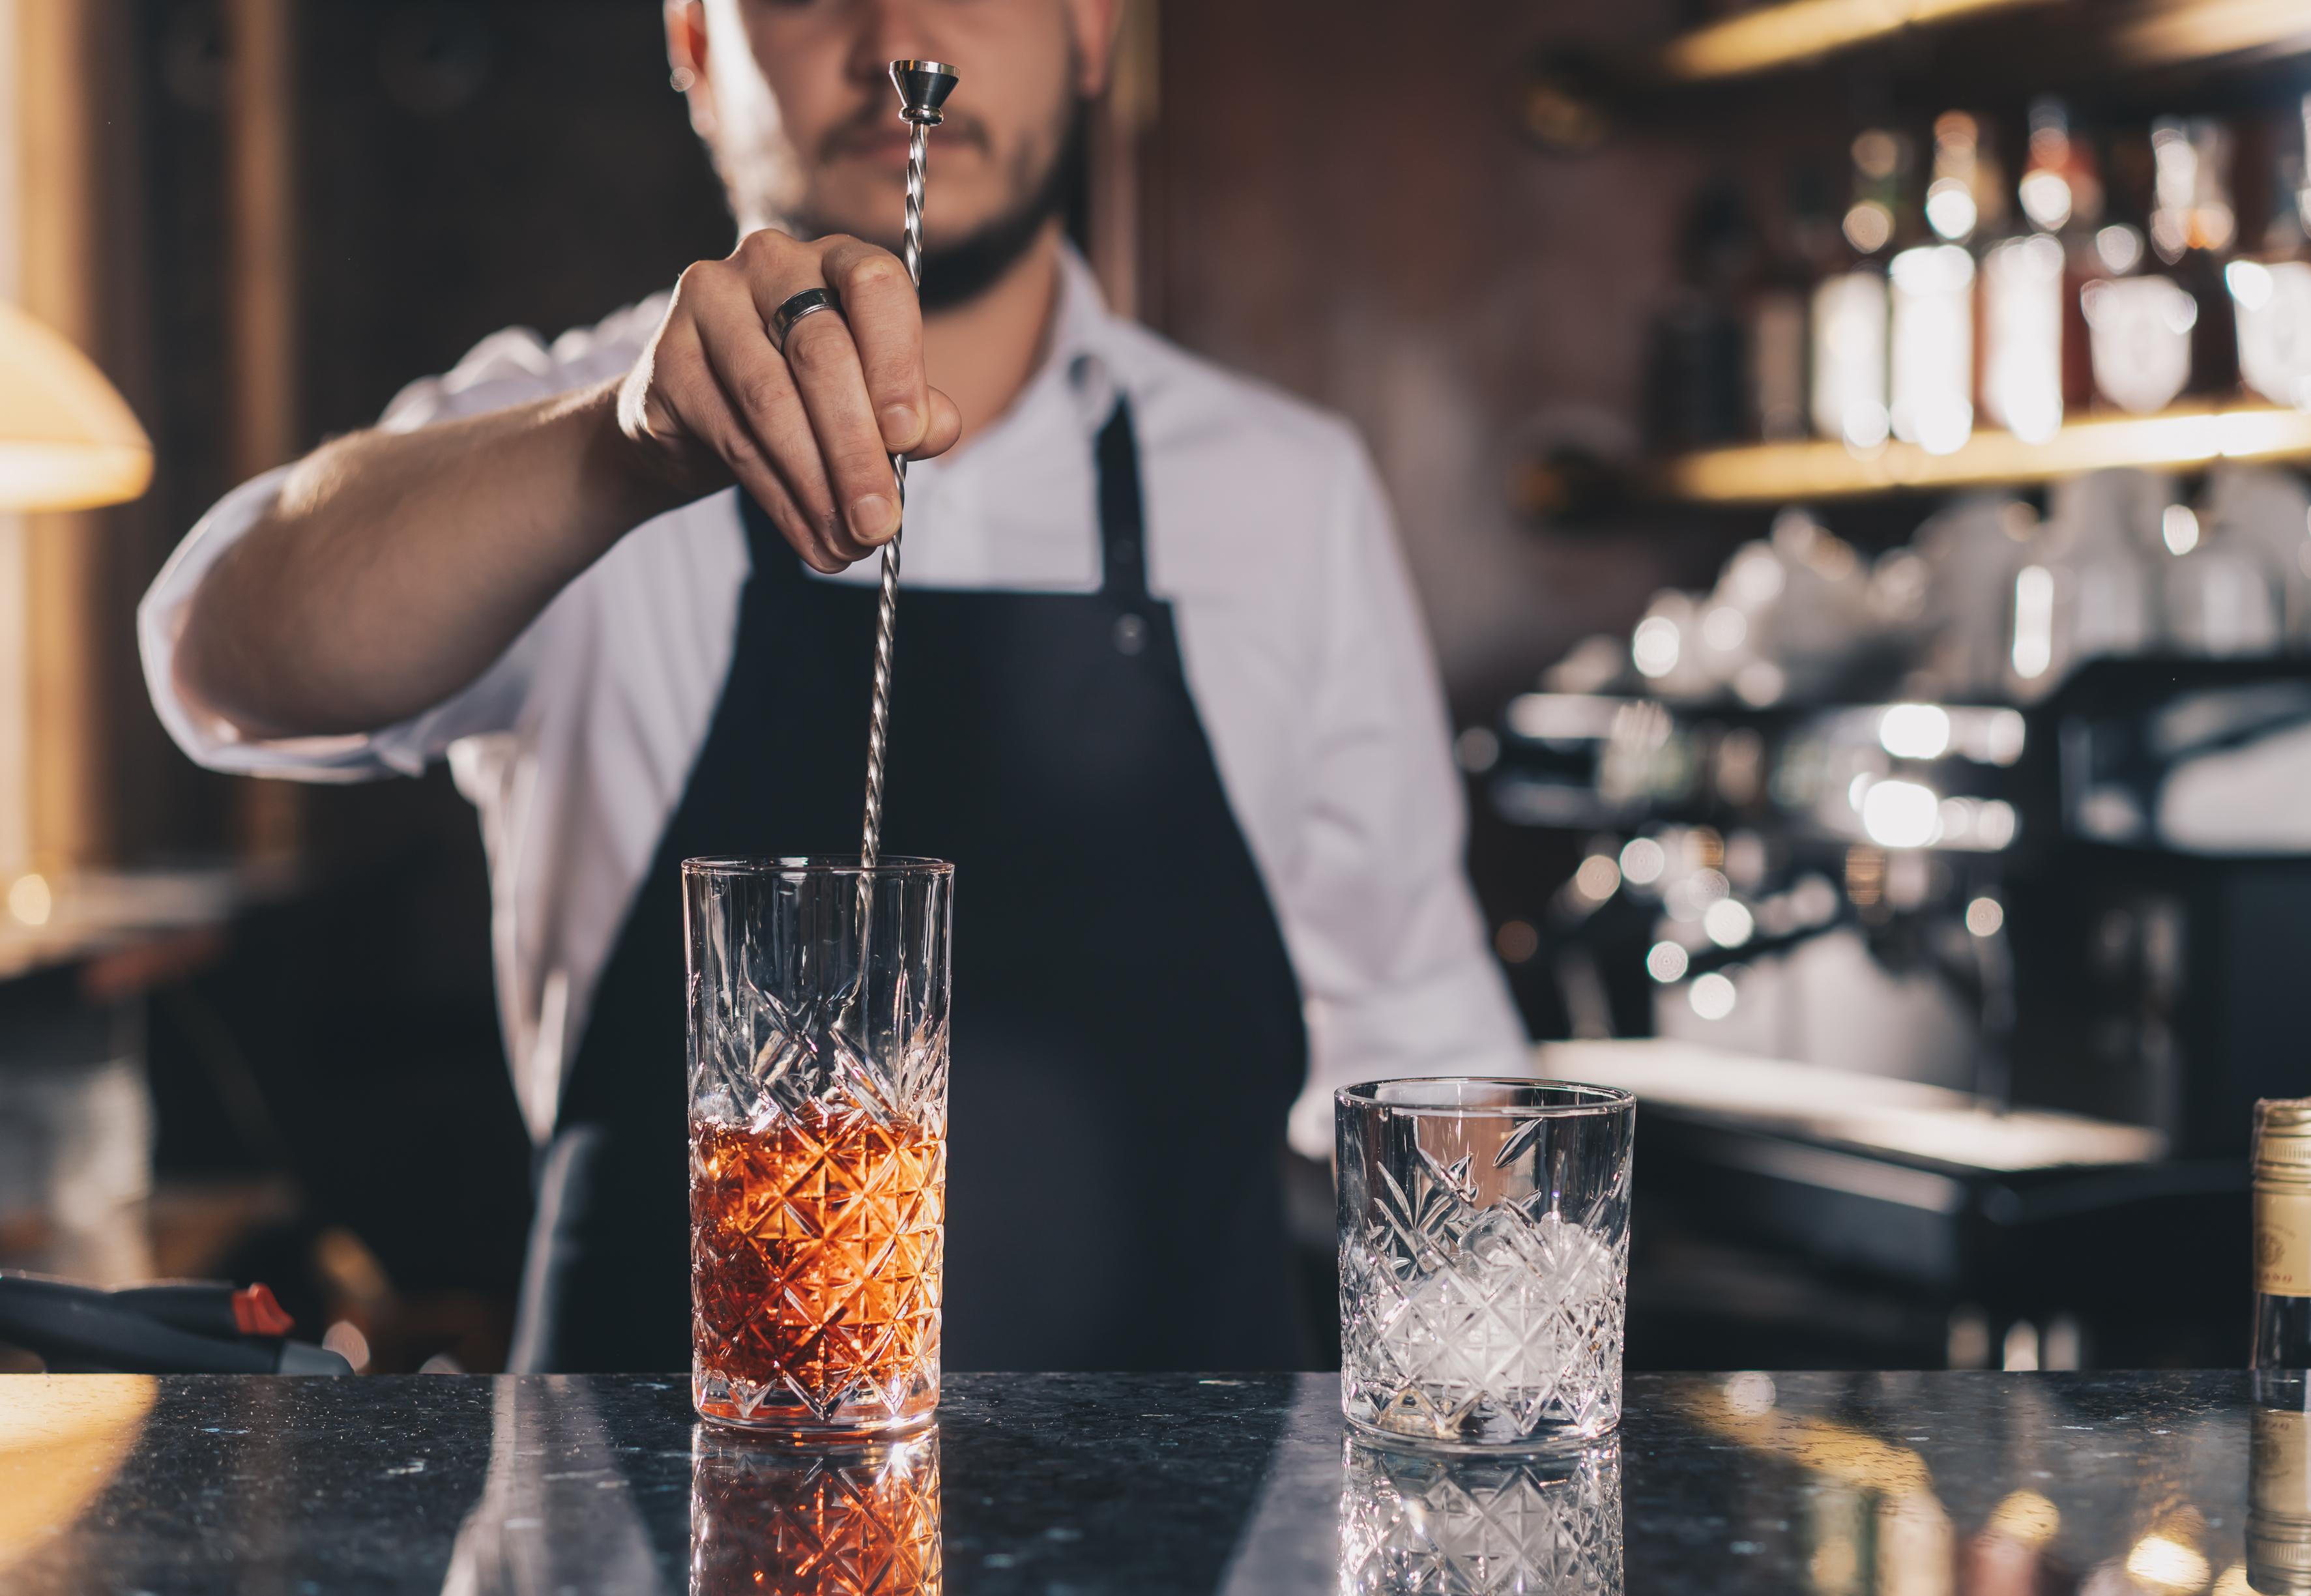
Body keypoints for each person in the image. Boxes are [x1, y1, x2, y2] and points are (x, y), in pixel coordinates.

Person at [138, 0, 1525, 1373]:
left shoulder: (1289, 492)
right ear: (694, 46)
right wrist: (621, 457)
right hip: (655, 1525)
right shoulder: (569, 437)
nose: (897, 38)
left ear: (1093, 27)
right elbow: (218, 656)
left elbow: (1426, 1050)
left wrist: (1506, 1445)